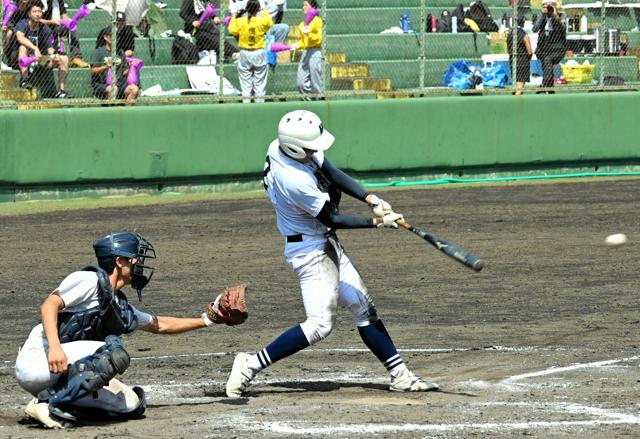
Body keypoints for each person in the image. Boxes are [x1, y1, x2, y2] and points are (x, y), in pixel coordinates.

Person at [225, 110, 439, 398]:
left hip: (322, 240)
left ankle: (399, 375)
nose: (316, 151)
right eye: (312, 148)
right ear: (296, 148)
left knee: (364, 307)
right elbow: (332, 219)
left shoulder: (285, 146)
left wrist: (370, 198)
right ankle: (250, 364)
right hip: (309, 251)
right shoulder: (293, 179)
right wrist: (379, 222)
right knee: (319, 325)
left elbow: (331, 172)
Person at [14, 231, 233, 429]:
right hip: (38, 360)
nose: (138, 262)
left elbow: (159, 324)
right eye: (133, 257)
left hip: (62, 372)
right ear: (119, 262)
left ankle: (56, 405)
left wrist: (208, 320)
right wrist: (54, 348)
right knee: (113, 351)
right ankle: (44, 403)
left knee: (131, 404)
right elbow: (49, 305)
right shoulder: (88, 280)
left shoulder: (119, 306)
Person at [12, 0, 71, 97]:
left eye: (39, 12)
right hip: (20, 58)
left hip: (39, 59)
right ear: (29, 14)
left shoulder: (45, 29)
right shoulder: (22, 24)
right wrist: (35, 48)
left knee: (64, 58)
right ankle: (25, 80)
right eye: (35, 12)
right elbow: (20, 37)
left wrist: (55, 55)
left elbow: (50, 49)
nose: (37, 14)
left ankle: (61, 91)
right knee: (23, 47)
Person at [228, 0, 272, 102]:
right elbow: (269, 22)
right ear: (257, 9)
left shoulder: (241, 21)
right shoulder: (261, 21)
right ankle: (259, 105)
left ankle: (246, 104)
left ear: (247, 9)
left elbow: (232, 29)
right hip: (259, 52)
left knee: (245, 83)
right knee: (260, 82)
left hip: (245, 52)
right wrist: (263, 9)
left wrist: (234, 15)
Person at [90, 26, 139, 103]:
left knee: (134, 89)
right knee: (113, 89)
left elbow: (123, 72)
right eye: (112, 35)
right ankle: (112, 113)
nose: (115, 38)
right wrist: (106, 66)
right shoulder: (98, 52)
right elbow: (93, 71)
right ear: (105, 37)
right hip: (102, 84)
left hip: (119, 83)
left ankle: (127, 112)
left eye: (117, 36)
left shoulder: (120, 52)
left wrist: (131, 66)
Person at [40, 0, 88, 68]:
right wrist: (51, 22)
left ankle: (76, 57)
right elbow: (37, 20)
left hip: (56, 28)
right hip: (44, 29)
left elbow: (65, 18)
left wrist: (72, 21)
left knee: (72, 29)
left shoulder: (59, 1)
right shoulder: (43, 2)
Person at [532, 1, 566, 91]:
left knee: (548, 60)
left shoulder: (561, 16)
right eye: (544, 6)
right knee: (546, 65)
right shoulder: (542, 17)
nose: (547, 9)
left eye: (549, 6)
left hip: (557, 49)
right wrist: (542, 15)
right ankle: (550, 88)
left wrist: (555, 16)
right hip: (544, 48)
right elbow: (534, 29)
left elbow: (563, 29)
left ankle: (545, 85)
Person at [292, 0, 322, 100]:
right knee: (300, 81)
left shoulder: (318, 21)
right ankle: (307, 102)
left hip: (315, 51)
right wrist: (296, 45)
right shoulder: (302, 24)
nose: (303, 7)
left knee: (315, 78)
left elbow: (319, 38)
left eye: (305, 5)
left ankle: (318, 100)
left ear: (312, 8)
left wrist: (309, 33)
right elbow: (304, 42)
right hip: (306, 51)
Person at [506, 15, 532, 95]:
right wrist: (528, 58)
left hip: (512, 60)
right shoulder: (524, 35)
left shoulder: (509, 34)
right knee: (520, 84)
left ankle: (516, 96)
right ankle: (517, 101)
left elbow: (508, 49)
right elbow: (530, 51)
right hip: (523, 60)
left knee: (516, 81)